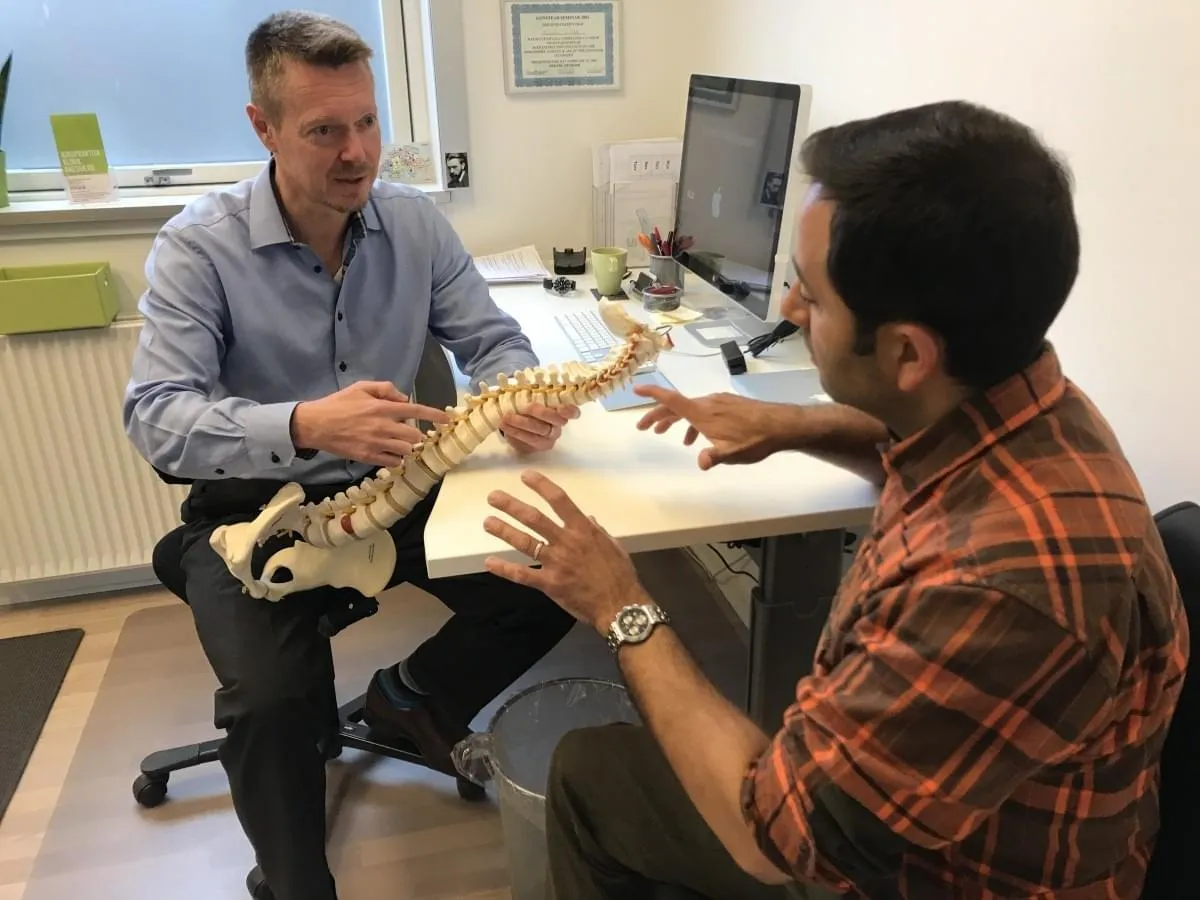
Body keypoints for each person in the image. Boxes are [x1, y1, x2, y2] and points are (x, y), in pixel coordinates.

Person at [480, 100, 1189, 899]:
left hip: (936, 879)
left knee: (590, 774)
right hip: (943, 820)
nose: (788, 310)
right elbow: (924, 443)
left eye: (812, 297)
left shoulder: (999, 590)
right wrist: (788, 424)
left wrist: (621, 605)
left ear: (906, 353)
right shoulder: (1032, 401)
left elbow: (776, 840)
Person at [121, 11, 576, 900]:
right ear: (263, 128)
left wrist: (519, 391)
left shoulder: (414, 223)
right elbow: (156, 418)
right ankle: (296, 882)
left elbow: (493, 340)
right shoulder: (198, 247)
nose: (357, 153)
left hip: (398, 490)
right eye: (324, 130)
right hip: (257, 516)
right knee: (272, 701)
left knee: (556, 581)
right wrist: (303, 424)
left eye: (367, 122)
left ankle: (410, 697)